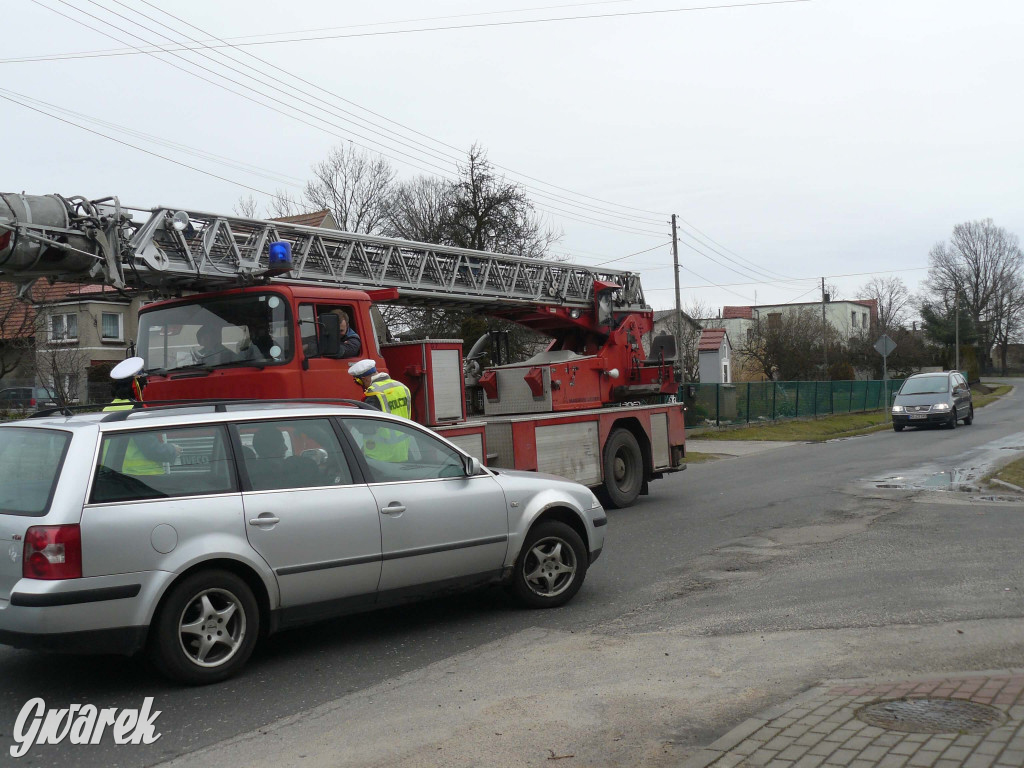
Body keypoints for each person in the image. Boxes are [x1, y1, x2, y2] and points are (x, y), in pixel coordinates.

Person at [103, 362, 180, 474]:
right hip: (143, 476)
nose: (144, 389)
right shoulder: (136, 411)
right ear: (137, 386)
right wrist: (172, 450)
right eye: (144, 385)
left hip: (113, 474)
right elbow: (151, 449)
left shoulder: (107, 409)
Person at [347, 359, 412, 462]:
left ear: (364, 379)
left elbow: (368, 428)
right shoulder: (401, 387)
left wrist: (349, 420)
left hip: (380, 455)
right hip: (403, 450)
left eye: (357, 382)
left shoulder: (373, 394)